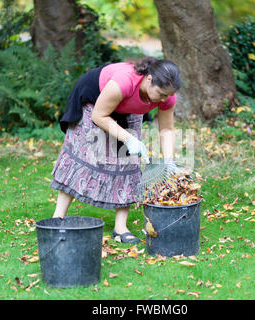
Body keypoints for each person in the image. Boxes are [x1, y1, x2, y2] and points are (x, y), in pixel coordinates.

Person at [50, 57, 181, 243]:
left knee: (129, 163)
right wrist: (128, 138)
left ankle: (120, 229)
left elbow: (167, 129)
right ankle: (57, 219)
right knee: (81, 157)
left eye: (168, 95)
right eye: (161, 94)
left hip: (129, 108)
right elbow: (99, 115)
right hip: (95, 103)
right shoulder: (124, 81)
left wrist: (168, 160)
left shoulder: (166, 96)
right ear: (149, 79)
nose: (164, 99)